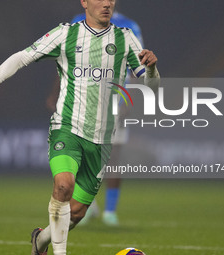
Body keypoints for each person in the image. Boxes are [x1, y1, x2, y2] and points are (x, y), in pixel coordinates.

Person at [0, 0, 160, 254]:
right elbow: (23, 57)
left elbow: (151, 87)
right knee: (63, 185)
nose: (106, 4)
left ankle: (40, 241)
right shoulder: (66, 33)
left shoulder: (126, 38)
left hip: (102, 139)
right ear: (84, 1)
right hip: (67, 127)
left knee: (76, 213)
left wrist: (151, 68)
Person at [46, 8, 144, 227]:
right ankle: (91, 208)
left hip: (115, 100)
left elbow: (138, 65)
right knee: (77, 155)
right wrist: (56, 94)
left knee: (113, 157)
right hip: (80, 102)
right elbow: (65, 63)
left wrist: (129, 101)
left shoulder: (129, 26)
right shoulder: (77, 21)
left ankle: (110, 211)